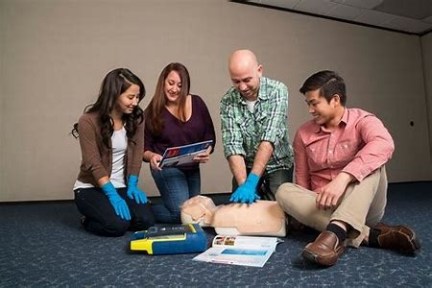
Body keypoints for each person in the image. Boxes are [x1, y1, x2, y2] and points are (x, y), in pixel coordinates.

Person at [276, 70, 420, 267]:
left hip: (364, 205)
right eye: (308, 103)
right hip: (323, 205)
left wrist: (343, 178)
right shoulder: (303, 133)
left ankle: (335, 232)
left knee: (374, 162)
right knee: (284, 191)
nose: (310, 109)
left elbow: (384, 144)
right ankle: (371, 236)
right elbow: (302, 179)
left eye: (314, 103)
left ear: (335, 100)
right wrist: (302, 211)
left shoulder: (363, 120)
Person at [72, 68, 155, 237]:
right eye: (130, 97)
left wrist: (132, 184)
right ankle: (86, 220)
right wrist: (111, 194)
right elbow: (93, 162)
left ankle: (111, 212)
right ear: (114, 94)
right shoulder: (88, 121)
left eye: (138, 97)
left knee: (145, 221)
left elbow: (137, 153)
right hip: (91, 188)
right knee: (117, 226)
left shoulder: (136, 117)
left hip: (122, 185)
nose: (135, 102)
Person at [143, 62, 216, 224]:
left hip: (192, 167)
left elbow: (210, 135)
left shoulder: (197, 103)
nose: (174, 89)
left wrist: (207, 150)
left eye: (180, 85)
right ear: (163, 82)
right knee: (180, 215)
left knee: (195, 214)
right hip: (166, 168)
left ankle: (144, 208)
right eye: (171, 83)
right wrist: (152, 156)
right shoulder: (153, 111)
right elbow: (144, 147)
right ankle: (139, 210)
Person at [220, 49, 294, 203]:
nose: (242, 87)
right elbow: (232, 145)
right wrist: (244, 185)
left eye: (247, 80)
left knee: (277, 210)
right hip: (246, 164)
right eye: (236, 81)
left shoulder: (278, 91)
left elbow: (269, 139)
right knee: (241, 207)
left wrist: (252, 181)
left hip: (278, 163)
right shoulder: (227, 100)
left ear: (259, 71)